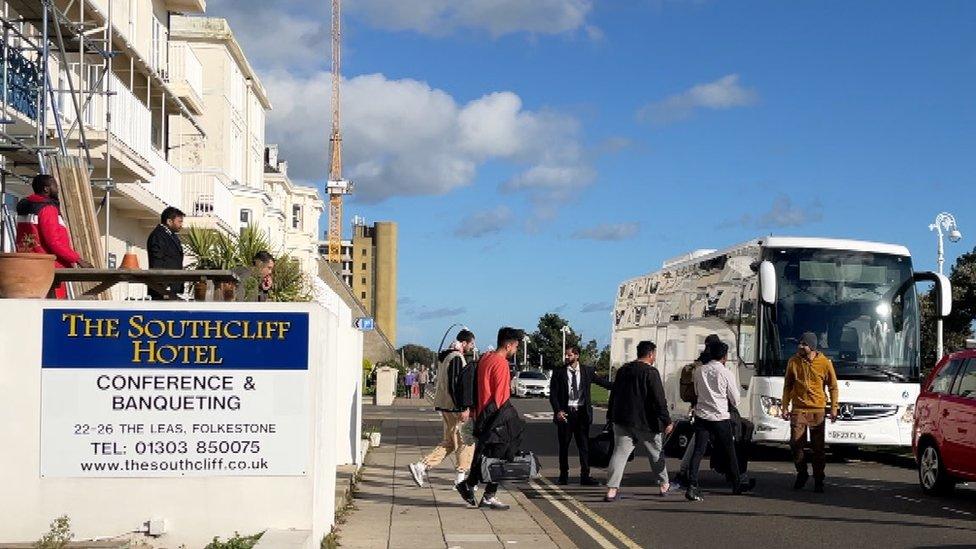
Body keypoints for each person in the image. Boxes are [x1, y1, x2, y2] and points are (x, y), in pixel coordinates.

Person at [456, 327, 525, 511]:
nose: (516, 350)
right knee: (502, 457)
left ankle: (470, 486)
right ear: (508, 345)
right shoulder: (501, 364)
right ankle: (487, 496)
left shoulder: (486, 358)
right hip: (496, 418)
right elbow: (501, 398)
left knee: (486, 455)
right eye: (516, 347)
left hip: (481, 414)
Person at [685, 341, 756, 501]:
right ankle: (737, 482)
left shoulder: (699, 371)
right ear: (724, 357)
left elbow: (696, 392)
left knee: (699, 451)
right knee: (730, 450)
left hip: (702, 416)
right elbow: (735, 399)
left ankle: (692, 485)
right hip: (720, 416)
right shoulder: (725, 373)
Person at [604, 341, 672, 502]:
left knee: (619, 455)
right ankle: (664, 484)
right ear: (650, 354)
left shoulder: (623, 371)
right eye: (654, 354)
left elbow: (614, 394)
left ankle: (612, 489)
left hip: (622, 419)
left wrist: (610, 415)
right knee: (656, 454)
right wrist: (667, 421)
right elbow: (659, 400)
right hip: (646, 422)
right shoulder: (651, 372)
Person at [409, 330, 477, 488]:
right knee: (466, 441)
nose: (472, 347)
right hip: (455, 407)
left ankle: (421, 467)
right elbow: (456, 385)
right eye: (471, 344)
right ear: (464, 342)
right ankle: (461, 480)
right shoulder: (457, 358)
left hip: (445, 405)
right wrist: (463, 407)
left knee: (450, 443)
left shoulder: (446, 356)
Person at [15, 173, 91, 298]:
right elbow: (54, 241)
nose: (58, 188)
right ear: (46, 189)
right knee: (53, 308)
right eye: (54, 185)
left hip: (27, 264)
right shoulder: (47, 208)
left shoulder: (26, 207)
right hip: (49, 267)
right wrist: (78, 260)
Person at [782, 331, 839, 493]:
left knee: (818, 448)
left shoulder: (825, 363)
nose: (800, 346)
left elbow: (833, 387)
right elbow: (788, 386)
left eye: (804, 344)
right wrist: (784, 406)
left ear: (812, 347)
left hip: (818, 410)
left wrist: (834, 407)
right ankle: (802, 472)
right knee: (795, 443)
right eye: (800, 344)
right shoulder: (793, 362)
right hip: (798, 409)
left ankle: (819, 478)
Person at [549, 344, 611, 485]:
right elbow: (553, 395)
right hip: (566, 414)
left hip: (581, 414)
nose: (566, 357)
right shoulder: (559, 372)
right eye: (566, 355)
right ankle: (563, 475)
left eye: (569, 355)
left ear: (577, 356)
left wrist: (622, 384)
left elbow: (603, 383)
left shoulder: (587, 371)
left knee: (583, 446)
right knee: (563, 446)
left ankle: (585, 476)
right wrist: (558, 411)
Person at [673, 334, 721, 488]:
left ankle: (685, 471)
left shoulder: (698, 363)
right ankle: (685, 472)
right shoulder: (712, 363)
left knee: (697, 442)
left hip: (698, 407)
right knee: (700, 443)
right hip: (712, 409)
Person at [146, 206, 185, 300]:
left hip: (172, 286)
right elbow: (157, 261)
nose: (181, 224)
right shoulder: (158, 236)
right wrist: (162, 286)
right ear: (169, 221)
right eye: (179, 221)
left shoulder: (172, 236)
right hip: (162, 288)